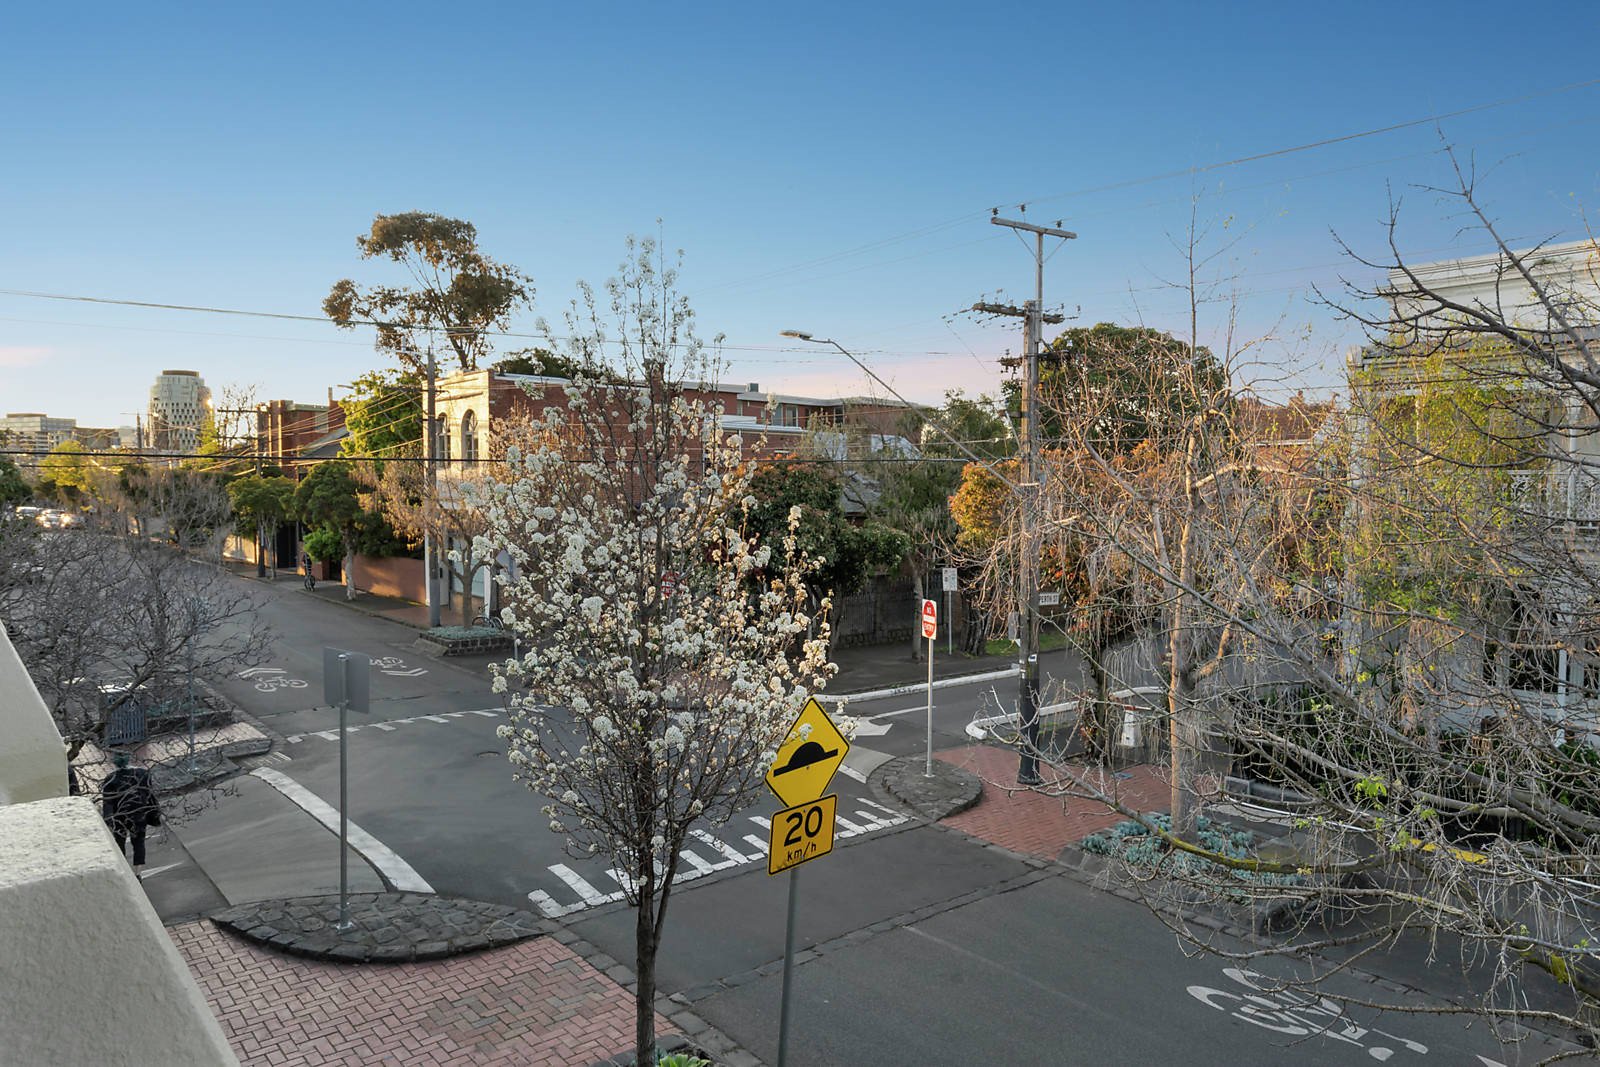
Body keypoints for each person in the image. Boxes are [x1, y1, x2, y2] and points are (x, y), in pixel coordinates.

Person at [101, 753, 160, 874]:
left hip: (119, 817)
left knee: (119, 842)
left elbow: (108, 803)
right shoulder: (143, 774)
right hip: (139, 814)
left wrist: (108, 820)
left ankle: (124, 871)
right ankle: (138, 872)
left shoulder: (110, 779)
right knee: (139, 842)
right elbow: (149, 794)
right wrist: (153, 811)